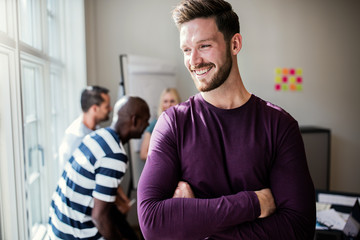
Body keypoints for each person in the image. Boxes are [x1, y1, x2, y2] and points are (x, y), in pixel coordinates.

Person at [137, 0, 316, 239]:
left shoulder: (279, 126)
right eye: (186, 50)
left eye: (204, 45)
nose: (194, 60)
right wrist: (253, 203)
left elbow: (298, 227)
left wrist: (195, 224)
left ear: (235, 44)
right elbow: (152, 222)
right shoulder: (173, 124)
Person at [48, 96, 150, 240]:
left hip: (57, 226)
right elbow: (99, 218)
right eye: (146, 120)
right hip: (72, 234)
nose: (147, 125)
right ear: (134, 120)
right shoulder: (115, 155)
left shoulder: (97, 135)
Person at [58, 85, 112, 175]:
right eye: (107, 106)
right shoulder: (76, 139)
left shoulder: (96, 130)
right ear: (95, 108)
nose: (111, 109)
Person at [140, 88, 181, 160]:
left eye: (172, 101)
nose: (169, 104)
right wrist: (166, 157)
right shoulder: (154, 125)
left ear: (178, 103)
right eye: (165, 101)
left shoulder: (182, 124)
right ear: (161, 104)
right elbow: (143, 154)